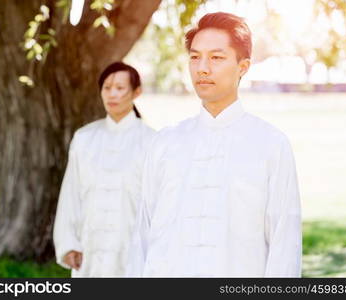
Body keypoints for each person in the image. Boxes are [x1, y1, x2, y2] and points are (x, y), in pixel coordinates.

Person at [127, 12, 302, 277]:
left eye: (216, 58)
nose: (202, 68)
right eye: (195, 57)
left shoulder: (270, 145)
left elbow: (285, 244)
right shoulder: (165, 143)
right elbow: (142, 237)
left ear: (243, 67)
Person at [53, 62, 155, 277]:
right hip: (90, 251)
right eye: (106, 88)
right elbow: (71, 194)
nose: (112, 95)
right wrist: (68, 243)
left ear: (137, 92)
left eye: (120, 88)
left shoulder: (152, 141)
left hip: (134, 252)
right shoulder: (84, 138)